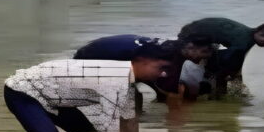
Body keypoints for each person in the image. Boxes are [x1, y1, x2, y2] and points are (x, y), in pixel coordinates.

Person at [3, 42, 175, 132]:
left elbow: (130, 123)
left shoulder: (125, 81)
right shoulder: (113, 80)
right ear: (142, 61)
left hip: (54, 94)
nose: (164, 75)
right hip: (22, 92)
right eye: (161, 68)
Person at [73, 34, 214, 109]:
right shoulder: (171, 59)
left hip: (103, 52)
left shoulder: (172, 48)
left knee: (140, 89)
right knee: (130, 96)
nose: (206, 56)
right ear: (190, 49)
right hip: (90, 58)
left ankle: (136, 122)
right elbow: (173, 96)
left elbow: (165, 88)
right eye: (204, 52)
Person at [177, 18, 264, 97]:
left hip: (191, 31)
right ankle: (217, 97)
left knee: (230, 67)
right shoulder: (242, 42)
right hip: (189, 38)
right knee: (225, 71)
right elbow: (229, 66)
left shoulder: (246, 33)